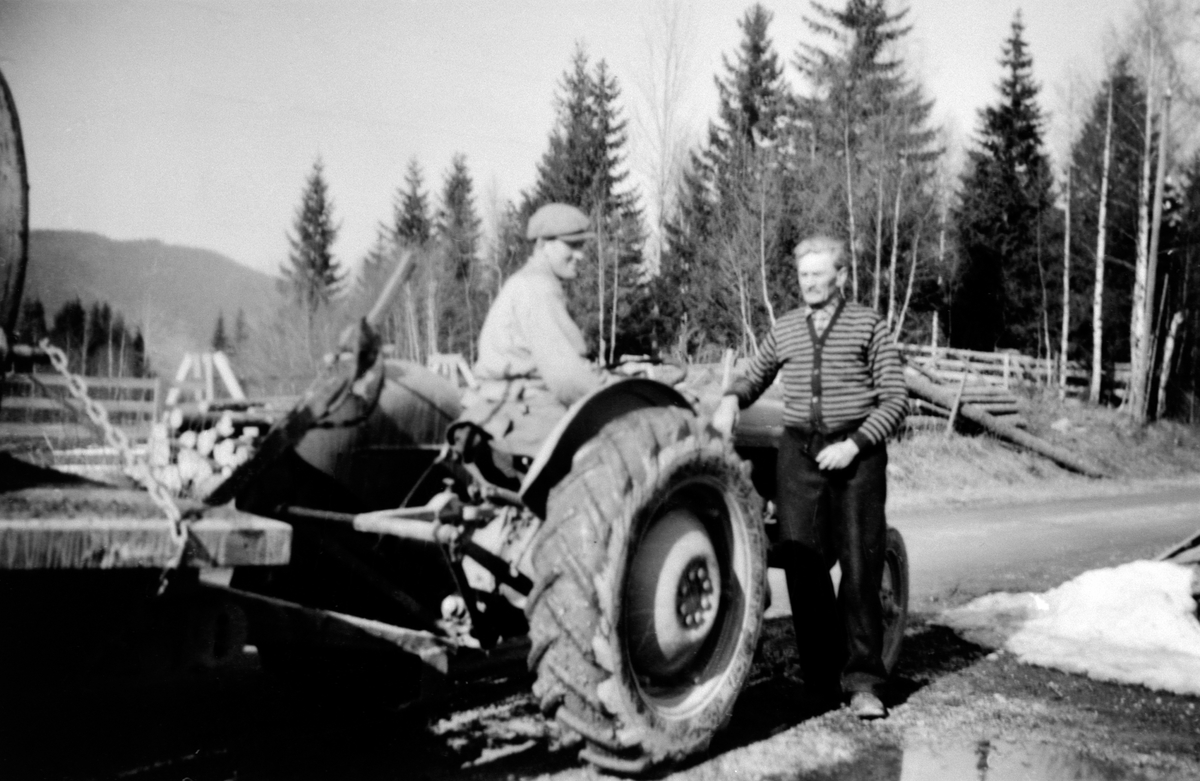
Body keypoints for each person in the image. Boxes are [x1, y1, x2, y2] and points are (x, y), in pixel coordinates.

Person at [712, 235, 907, 720]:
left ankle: (863, 682)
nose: (810, 283)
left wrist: (855, 445)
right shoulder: (787, 328)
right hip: (799, 453)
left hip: (856, 453)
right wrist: (733, 397)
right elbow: (756, 374)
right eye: (804, 275)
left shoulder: (868, 325)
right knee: (802, 564)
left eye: (819, 274)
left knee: (861, 565)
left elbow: (896, 400)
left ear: (841, 276)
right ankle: (821, 679)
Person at [459, 202, 606, 456]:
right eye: (572, 245)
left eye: (582, 245)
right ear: (543, 245)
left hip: (501, 405)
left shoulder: (526, 282)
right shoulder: (539, 288)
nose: (581, 255)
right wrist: (612, 398)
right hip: (529, 412)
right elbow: (566, 379)